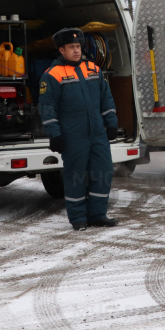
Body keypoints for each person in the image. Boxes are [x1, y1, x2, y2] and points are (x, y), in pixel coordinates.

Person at [38, 28, 120, 231]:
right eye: (71, 47)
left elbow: (106, 99)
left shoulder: (93, 69)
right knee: (76, 176)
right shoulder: (52, 75)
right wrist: (54, 134)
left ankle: (98, 215)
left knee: (103, 171)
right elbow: (48, 108)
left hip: (98, 133)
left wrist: (111, 122)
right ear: (61, 50)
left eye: (78, 46)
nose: (76, 50)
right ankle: (78, 218)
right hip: (73, 135)